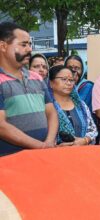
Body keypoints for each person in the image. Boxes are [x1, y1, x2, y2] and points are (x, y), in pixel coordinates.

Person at [0, 22, 58, 156]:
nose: (29, 49)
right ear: (3, 46)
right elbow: (1, 126)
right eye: (23, 45)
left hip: (41, 156)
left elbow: (51, 112)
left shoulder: (36, 78)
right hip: (10, 162)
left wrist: (49, 142)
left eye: (30, 45)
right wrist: (40, 146)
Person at [48, 65, 97, 145]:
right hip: (54, 154)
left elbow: (92, 130)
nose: (68, 83)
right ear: (51, 83)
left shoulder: (81, 105)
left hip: (82, 153)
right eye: (64, 79)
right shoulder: (46, 106)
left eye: (71, 80)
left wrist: (85, 140)